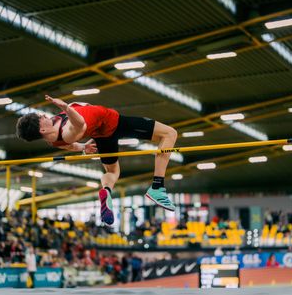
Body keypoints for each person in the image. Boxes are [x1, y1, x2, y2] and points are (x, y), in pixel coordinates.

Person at [16, 95, 178, 225]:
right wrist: (66, 107)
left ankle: (106, 190)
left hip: (102, 134)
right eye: (41, 118)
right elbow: (80, 124)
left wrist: (82, 148)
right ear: (42, 129)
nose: (44, 115)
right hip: (115, 123)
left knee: (113, 171)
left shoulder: (53, 140)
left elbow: (70, 147)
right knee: (169, 133)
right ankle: (157, 186)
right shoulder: (66, 133)